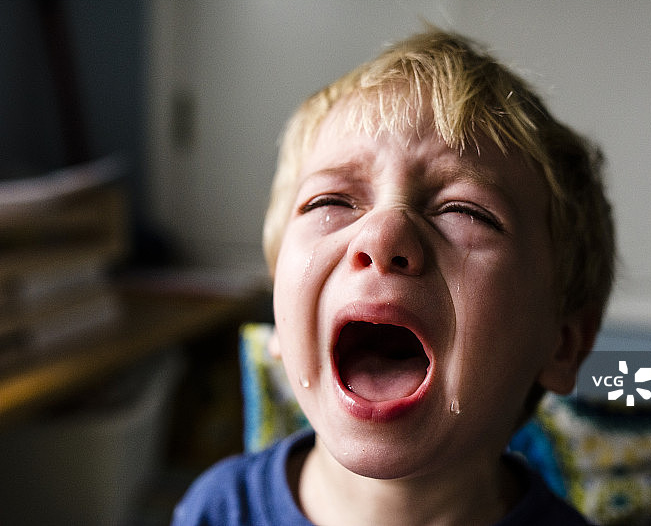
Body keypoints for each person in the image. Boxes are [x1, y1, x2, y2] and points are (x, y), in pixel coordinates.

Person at [172, 28, 615, 526]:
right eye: (331, 201)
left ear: (562, 344)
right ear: (280, 307)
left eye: (465, 211)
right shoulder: (217, 510)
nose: (382, 237)